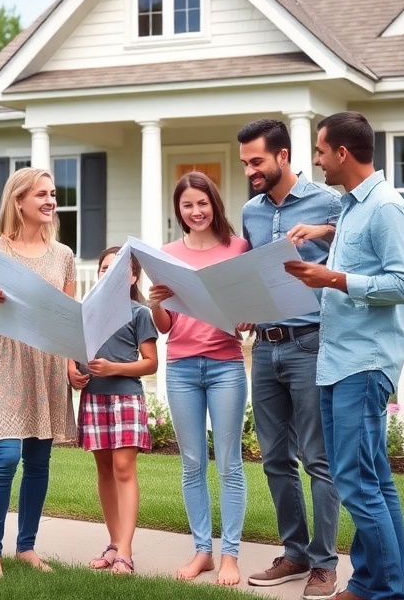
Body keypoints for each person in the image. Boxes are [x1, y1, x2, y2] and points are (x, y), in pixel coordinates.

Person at [284, 112, 404, 600]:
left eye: (320, 151)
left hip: (364, 365)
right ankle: (371, 585)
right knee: (374, 482)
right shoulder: (351, 208)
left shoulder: (386, 208)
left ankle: (384, 593)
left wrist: (334, 279)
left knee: (355, 483)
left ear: (342, 153)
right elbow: (353, 252)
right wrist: (321, 236)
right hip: (339, 362)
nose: (315, 160)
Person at [237, 119, 342, 600]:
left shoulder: (328, 201)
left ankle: (324, 563)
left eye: (256, 161)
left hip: (310, 342)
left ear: (282, 156)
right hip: (266, 345)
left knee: (316, 458)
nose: (250, 170)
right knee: (275, 458)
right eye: (244, 163)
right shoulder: (252, 212)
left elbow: (362, 236)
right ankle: (294, 553)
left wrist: (324, 228)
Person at [0, 166, 83, 578]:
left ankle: (27, 547)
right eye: (41, 195)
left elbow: (70, 320)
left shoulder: (64, 256)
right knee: (5, 457)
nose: (51, 201)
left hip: (47, 362)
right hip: (6, 360)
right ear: (19, 202)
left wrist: (72, 366)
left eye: (52, 194)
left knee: (38, 460)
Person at [147, 171, 250, 586]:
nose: (196, 211)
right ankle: (202, 551)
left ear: (214, 204)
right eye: (187, 205)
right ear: (179, 210)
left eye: (202, 203)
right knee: (192, 464)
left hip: (226, 364)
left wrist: (247, 317)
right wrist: (155, 303)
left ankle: (230, 555)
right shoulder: (167, 254)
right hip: (182, 369)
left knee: (229, 465)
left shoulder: (237, 248)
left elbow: (248, 309)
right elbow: (166, 326)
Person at [69, 245, 159, 576]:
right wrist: (72, 371)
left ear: (132, 276)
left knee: (123, 468)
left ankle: (126, 549)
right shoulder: (84, 312)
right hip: (93, 398)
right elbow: (73, 352)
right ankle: (113, 542)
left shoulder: (139, 313)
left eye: (118, 269)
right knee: (105, 470)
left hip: (126, 399)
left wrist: (114, 368)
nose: (109, 273)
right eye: (105, 268)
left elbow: (151, 364)